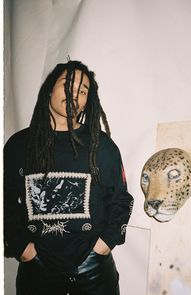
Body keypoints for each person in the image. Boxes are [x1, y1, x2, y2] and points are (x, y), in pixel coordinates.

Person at [4, 60, 134, 295]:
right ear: (49, 89)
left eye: (83, 91)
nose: (75, 94)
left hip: (94, 272)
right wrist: (23, 248)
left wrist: (102, 248)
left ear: (87, 101)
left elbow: (121, 200)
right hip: (36, 272)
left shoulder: (102, 146)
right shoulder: (18, 146)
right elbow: (5, 201)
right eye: (68, 85)